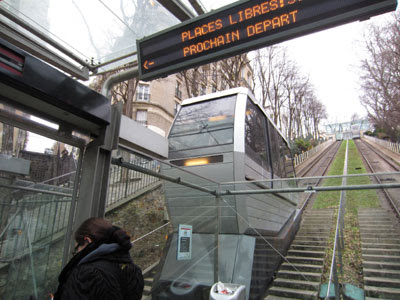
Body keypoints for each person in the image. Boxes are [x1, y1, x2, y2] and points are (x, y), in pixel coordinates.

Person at [53, 217, 144, 300]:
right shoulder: (134, 271)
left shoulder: (87, 274)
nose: (76, 254)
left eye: (77, 249)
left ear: (87, 240)